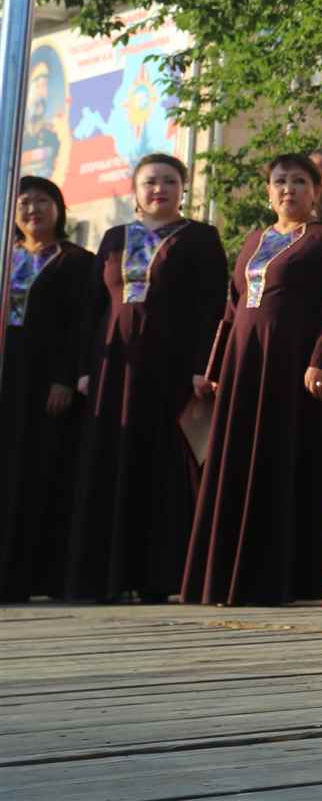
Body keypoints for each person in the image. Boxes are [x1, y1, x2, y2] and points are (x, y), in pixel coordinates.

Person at [181, 154, 322, 606]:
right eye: (280, 181)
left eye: (299, 181)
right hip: (245, 366)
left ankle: (287, 577)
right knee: (237, 462)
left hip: (293, 365)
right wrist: (216, 369)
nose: (288, 189)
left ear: (315, 191)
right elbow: (232, 307)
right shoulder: (255, 240)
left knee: (285, 460)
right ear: (268, 191)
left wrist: (321, 360)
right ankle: (228, 574)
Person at [66, 154, 227, 603]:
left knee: (162, 463)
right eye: (151, 182)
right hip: (114, 370)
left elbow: (213, 307)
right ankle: (106, 576)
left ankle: (160, 577)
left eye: (170, 181)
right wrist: (84, 368)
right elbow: (93, 307)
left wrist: (204, 365)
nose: (160, 189)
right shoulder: (115, 237)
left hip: (170, 368)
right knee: (111, 460)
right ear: (136, 190)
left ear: (183, 188)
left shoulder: (200, 237)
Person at [0, 177, 98, 600]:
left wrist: (65, 377)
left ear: (58, 208)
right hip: (7, 376)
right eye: (24, 202)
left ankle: (38, 575)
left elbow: (83, 325)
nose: (32, 210)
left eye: (42, 201)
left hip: (47, 383)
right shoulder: (6, 256)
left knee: (42, 471)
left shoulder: (76, 261)